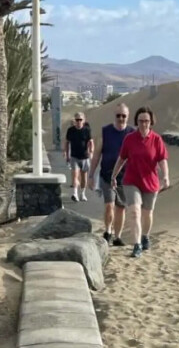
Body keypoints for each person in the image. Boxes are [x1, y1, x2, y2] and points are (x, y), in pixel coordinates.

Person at [110, 107, 170, 258]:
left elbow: (162, 160)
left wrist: (166, 176)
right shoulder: (129, 139)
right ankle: (137, 244)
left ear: (151, 122)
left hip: (150, 181)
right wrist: (114, 176)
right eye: (141, 121)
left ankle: (145, 236)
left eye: (147, 121)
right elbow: (122, 159)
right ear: (136, 121)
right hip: (132, 180)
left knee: (147, 213)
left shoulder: (156, 140)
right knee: (135, 211)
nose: (144, 124)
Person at [89, 103, 134, 246]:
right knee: (109, 205)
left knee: (120, 207)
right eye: (118, 115)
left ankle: (117, 236)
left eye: (124, 116)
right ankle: (108, 231)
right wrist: (90, 175)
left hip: (125, 178)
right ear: (114, 116)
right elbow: (96, 155)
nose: (121, 118)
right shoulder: (105, 132)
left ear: (128, 116)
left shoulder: (132, 133)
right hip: (107, 175)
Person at [64, 112, 93, 202]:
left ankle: (82, 194)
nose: (79, 121)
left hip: (85, 157)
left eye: (80, 120)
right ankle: (75, 193)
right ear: (75, 120)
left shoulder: (87, 130)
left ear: (83, 120)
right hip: (74, 157)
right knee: (75, 175)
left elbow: (91, 141)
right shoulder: (71, 130)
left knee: (84, 178)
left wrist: (91, 151)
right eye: (77, 119)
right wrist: (66, 153)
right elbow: (67, 142)